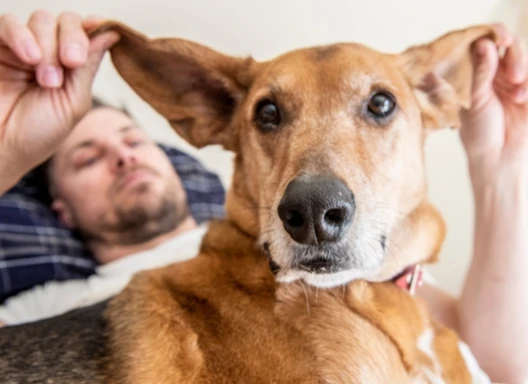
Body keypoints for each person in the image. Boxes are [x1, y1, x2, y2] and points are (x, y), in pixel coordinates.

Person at [0, 11, 526, 383]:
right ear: (60, 208)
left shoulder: (396, 273)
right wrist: (8, 152)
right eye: (271, 116)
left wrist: (501, 165)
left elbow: (506, 369)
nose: (123, 157)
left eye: (379, 106)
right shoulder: (51, 302)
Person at [0, 98, 207, 325]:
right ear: (64, 211)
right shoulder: (52, 306)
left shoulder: (247, 239)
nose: (125, 156)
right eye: (89, 160)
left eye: (134, 141)